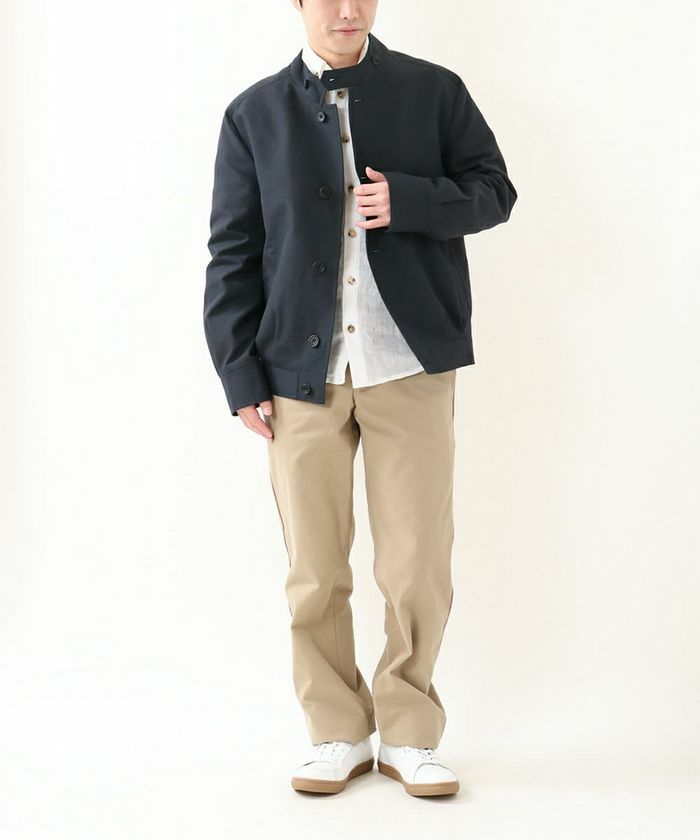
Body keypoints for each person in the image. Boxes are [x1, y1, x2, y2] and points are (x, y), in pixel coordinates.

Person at [203, 0, 517, 797]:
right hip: (295, 375)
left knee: (417, 565)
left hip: (409, 361)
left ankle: (409, 734)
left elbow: (494, 191)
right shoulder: (253, 114)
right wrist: (240, 374)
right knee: (314, 569)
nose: (348, 10)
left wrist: (410, 201)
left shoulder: (433, 91)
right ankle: (336, 731)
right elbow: (233, 250)